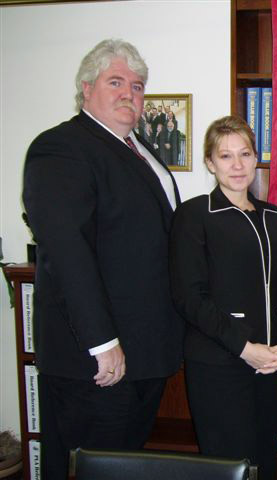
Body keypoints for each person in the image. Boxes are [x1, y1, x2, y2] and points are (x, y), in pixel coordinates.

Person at [22, 39, 183, 480]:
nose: (129, 93)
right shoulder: (62, 148)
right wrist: (102, 344)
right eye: (116, 82)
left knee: (124, 467)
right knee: (89, 469)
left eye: (137, 86)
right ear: (86, 88)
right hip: (97, 362)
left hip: (146, 357)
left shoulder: (140, 149)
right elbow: (66, 251)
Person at [169, 115, 277, 480]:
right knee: (228, 467)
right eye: (225, 156)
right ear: (210, 163)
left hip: (271, 364)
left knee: (264, 460)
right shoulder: (195, 215)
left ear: (256, 157)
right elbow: (189, 298)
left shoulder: (273, 216)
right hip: (219, 365)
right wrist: (245, 348)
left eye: (245, 153)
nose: (238, 165)